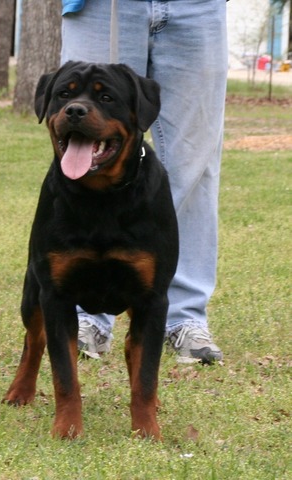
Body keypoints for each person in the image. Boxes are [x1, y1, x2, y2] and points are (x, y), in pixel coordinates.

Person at [60, 0, 227, 364]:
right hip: (100, 5)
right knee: (84, 146)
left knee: (195, 162)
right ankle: (88, 315)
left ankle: (183, 317)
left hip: (197, 6)